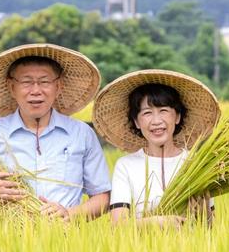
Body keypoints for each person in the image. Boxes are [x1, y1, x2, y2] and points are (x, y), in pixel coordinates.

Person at [0, 43, 111, 221]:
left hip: (65, 242)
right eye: (26, 82)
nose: (36, 91)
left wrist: (69, 214)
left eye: (44, 82)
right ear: (12, 87)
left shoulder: (81, 134)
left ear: (58, 87)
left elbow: (103, 197)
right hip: (3, 242)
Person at [91, 70, 221, 227]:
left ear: (178, 117)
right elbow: (118, 225)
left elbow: (211, 228)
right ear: (137, 122)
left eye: (163, 111)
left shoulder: (195, 164)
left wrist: (204, 214)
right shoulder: (126, 166)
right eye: (147, 113)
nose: (156, 121)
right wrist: (156, 223)